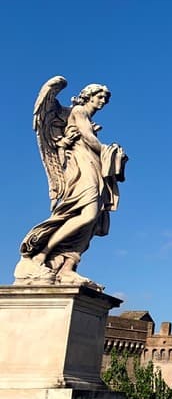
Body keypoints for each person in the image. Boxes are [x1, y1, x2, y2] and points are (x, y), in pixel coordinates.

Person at [15, 79, 128, 287]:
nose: (103, 101)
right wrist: (112, 151)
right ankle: (42, 254)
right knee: (88, 213)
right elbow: (88, 139)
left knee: (91, 221)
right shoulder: (78, 111)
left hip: (94, 165)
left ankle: (67, 267)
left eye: (106, 98)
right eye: (100, 96)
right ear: (89, 96)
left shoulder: (85, 118)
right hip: (81, 166)